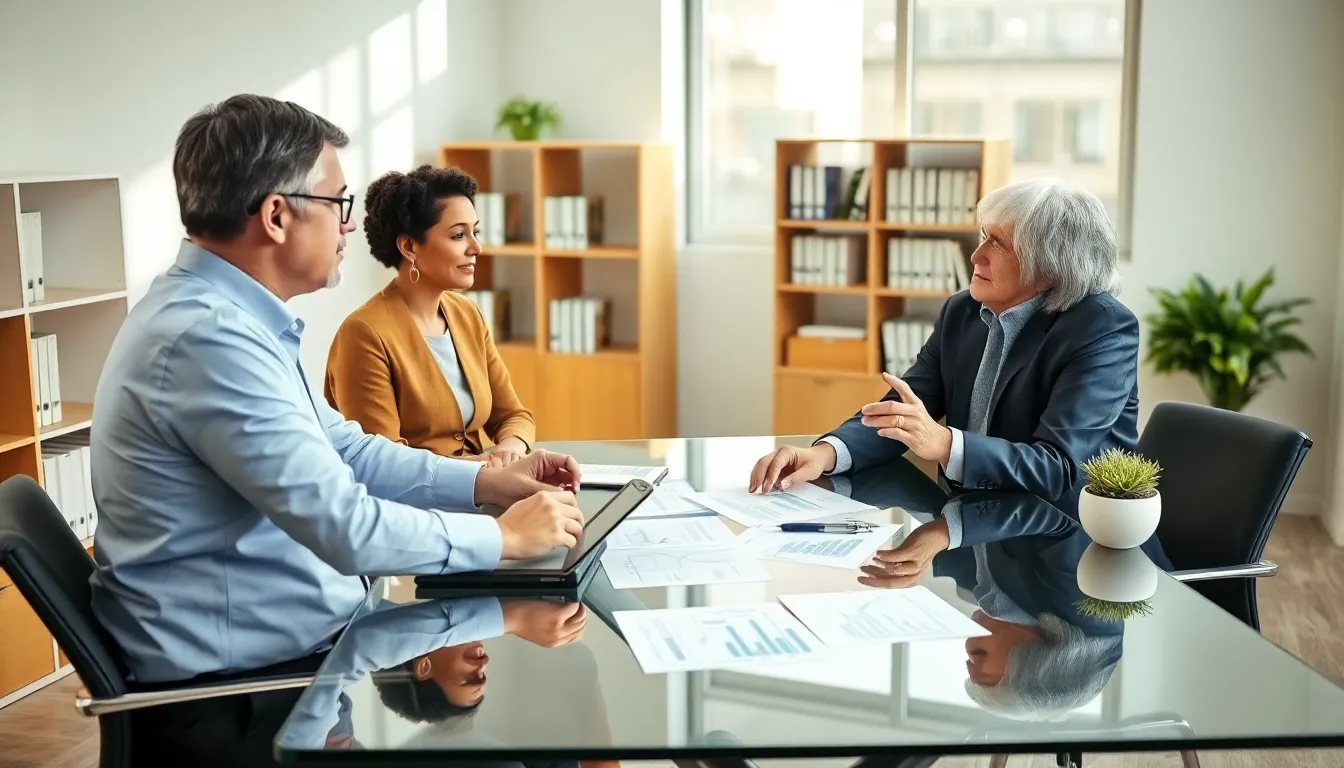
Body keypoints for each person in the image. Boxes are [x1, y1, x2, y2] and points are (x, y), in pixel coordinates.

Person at [88, 94, 585, 693]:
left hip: (318, 642)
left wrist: (484, 483)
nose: (349, 222)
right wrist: (503, 536)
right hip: (254, 689)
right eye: (337, 202)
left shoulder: (232, 322)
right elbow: (345, 526)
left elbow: (348, 450)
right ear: (276, 216)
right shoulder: (208, 341)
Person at [750, 177, 1138, 501]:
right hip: (971, 528)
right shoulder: (963, 312)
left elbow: (1058, 468)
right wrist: (824, 454)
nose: (976, 255)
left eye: (997, 244)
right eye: (984, 236)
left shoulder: (1102, 329)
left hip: (1069, 550)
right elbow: (903, 412)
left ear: (1050, 267)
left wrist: (944, 444)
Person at [325, 165, 533, 467]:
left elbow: (513, 415)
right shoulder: (364, 333)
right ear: (409, 246)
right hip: (413, 507)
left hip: (481, 488)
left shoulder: (467, 314)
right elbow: (383, 463)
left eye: (476, 232)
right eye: (459, 235)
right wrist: (485, 470)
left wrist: (510, 449)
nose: (476, 247)